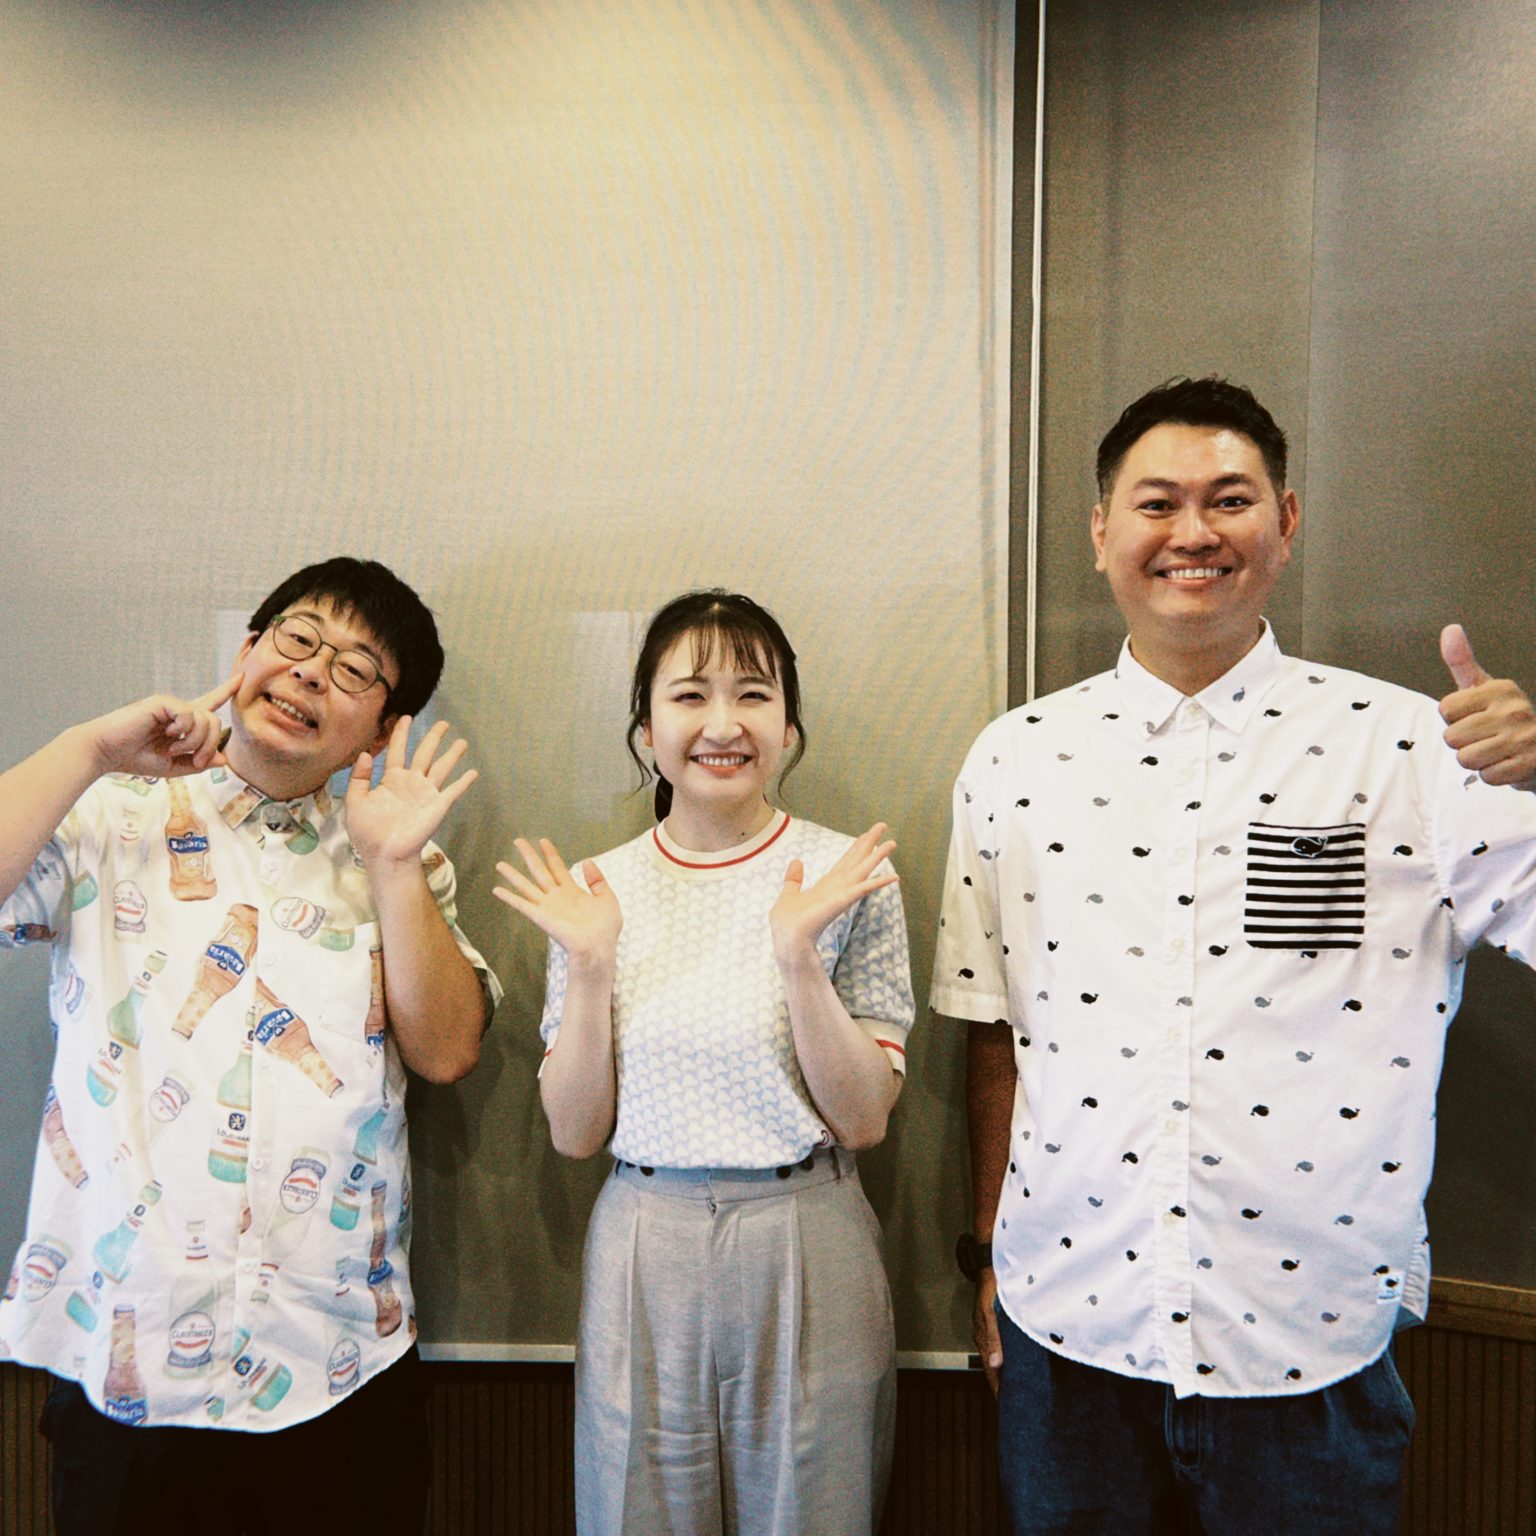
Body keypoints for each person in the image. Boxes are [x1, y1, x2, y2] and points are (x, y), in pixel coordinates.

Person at [934, 377, 1536, 1533]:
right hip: (1069, 1334)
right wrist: (992, 1262)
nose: (1194, 532)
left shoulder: (1415, 747)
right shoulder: (1015, 759)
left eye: (1230, 499)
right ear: (1101, 531)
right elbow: (998, 1037)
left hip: (1312, 1346)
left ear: (1286, 521)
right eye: (1157, 503)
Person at [0, 556, 501, 1535]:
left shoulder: (398, 855)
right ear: (248, 652)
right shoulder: (111, 814)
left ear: (386, 728)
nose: (312, 672)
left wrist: (393, 864)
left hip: (340, 1366)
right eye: (298, 639)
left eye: (356, 669)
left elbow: (447, 1053)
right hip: (131, 1361)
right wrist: (90, 748)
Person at [495, 589, 913, 1536]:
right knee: (636, 1509)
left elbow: (863, 1120)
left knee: (815, 1512)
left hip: (805, 1228)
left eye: (753, 695)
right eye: (690, 696)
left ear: (789, 727)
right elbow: (574, 1134)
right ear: (646, 730)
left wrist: (798, 956)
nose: (723, 724)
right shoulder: (593, 888)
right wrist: (590, 961)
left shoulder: (848, 873)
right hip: (645, 1234)